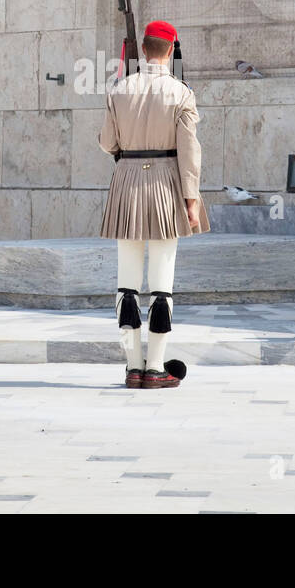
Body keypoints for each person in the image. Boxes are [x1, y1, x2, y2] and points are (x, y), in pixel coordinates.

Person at [99, 20, 210, 389]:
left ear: (143, 50)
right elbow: (189, 153)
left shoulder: (119, 89)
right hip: (166, 184)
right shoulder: (181, 93)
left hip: (127, 183)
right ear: (171, 50)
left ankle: (133, 367)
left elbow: (105, 142)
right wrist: (191, 200)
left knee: (126, 283)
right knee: (162, 283)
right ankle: (156, 367)